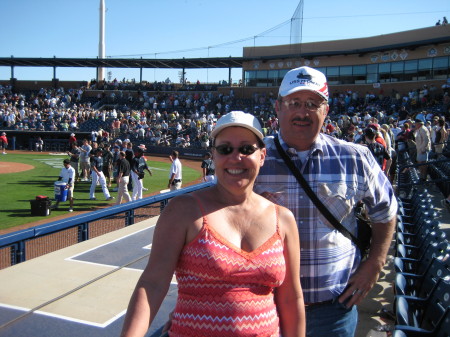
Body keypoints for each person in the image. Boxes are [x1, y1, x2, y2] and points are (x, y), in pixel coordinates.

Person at [120, 111, 305, 337]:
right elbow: (152, 284)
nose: (236, 157)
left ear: (262, 156)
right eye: (225, 149)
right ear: (213, 156)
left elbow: (291, 297)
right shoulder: (183, 211)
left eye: (247, 149)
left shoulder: (283, 219)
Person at [254, 66, 397, 336]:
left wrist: (375, 263)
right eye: (294, 102)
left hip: (333, 310)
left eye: (313, 103)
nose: (302, 112)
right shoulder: (253, 158)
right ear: (278, 107)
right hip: (266, 306)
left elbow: (386, 211)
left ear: (326, 110)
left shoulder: (356, 157)